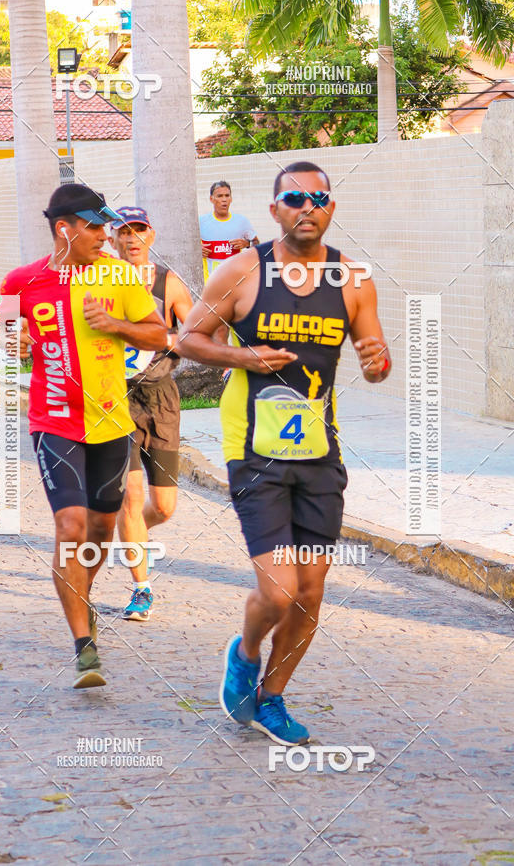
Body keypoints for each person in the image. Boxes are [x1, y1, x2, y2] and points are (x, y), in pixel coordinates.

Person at [180, 161, 391, 745]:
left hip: (320, 454)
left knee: (311, 593)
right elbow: (188, 338)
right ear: (274, 210)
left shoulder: (353, 279)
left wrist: (377, 361)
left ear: (331, 208)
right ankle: (245, 654)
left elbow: (375, 359)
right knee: (279, 591)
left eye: (318, 199)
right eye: (294, 199)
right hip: (255, 452)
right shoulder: (243, 270)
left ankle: (271, 698)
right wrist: (243, 358)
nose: (307, 208)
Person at [0, 184, 167, 688]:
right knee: (71, 527)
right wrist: (11, 338)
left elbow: (159, 334)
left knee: (99, 533)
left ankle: (80, 596)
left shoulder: (120, 276)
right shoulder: (22, 280)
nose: (105, 236)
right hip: (54, 421)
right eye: (94, 226)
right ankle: (84, 645)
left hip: (111, 423)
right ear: (64, 229)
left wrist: (114, 324)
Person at [109, 206, 193, 622]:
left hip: (161, 399)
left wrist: (166, 338)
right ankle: (141, 587)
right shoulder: (101, 281)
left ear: (151, 236)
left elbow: (197, 333)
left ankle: (132, 535)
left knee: (162, 507)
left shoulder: (168, 283)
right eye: (124, 232)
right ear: (113, 239)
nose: (132, 239)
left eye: (138, 230)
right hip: (116, 399)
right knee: (130, 495)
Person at [200, 181, 259, 283]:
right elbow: (187, 248)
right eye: (219, 196)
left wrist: (247, 244)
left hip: (234, 282)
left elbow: (257, 243)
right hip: (210, 284)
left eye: (227, 196)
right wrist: (197, 250)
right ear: (211, 199)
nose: (224, 200)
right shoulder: (201, 222)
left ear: (231, 199)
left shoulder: (241, 221)